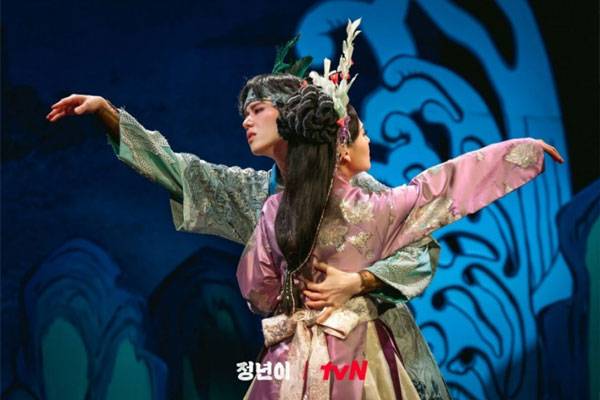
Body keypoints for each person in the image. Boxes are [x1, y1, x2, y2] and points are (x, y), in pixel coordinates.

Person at [46, 40, 455, 398]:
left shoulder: (350, 185)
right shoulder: (255, 194)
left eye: (257, 109)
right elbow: (180, 172)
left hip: (368, 346)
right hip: (299, 352)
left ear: (288, 115)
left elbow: (420, 247)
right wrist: (107, 114)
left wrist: (359, 282)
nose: (246, 121)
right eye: (245, 112)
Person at [235, 20, 563, 399]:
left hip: (290, 360)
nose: (369, 140)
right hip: (355, 356)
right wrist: (522, 153)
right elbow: (447, 185)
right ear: (342, 148)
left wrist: (299, 298)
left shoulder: (275, 208)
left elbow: (258, 290)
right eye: (363, 133)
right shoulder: (376, 209)